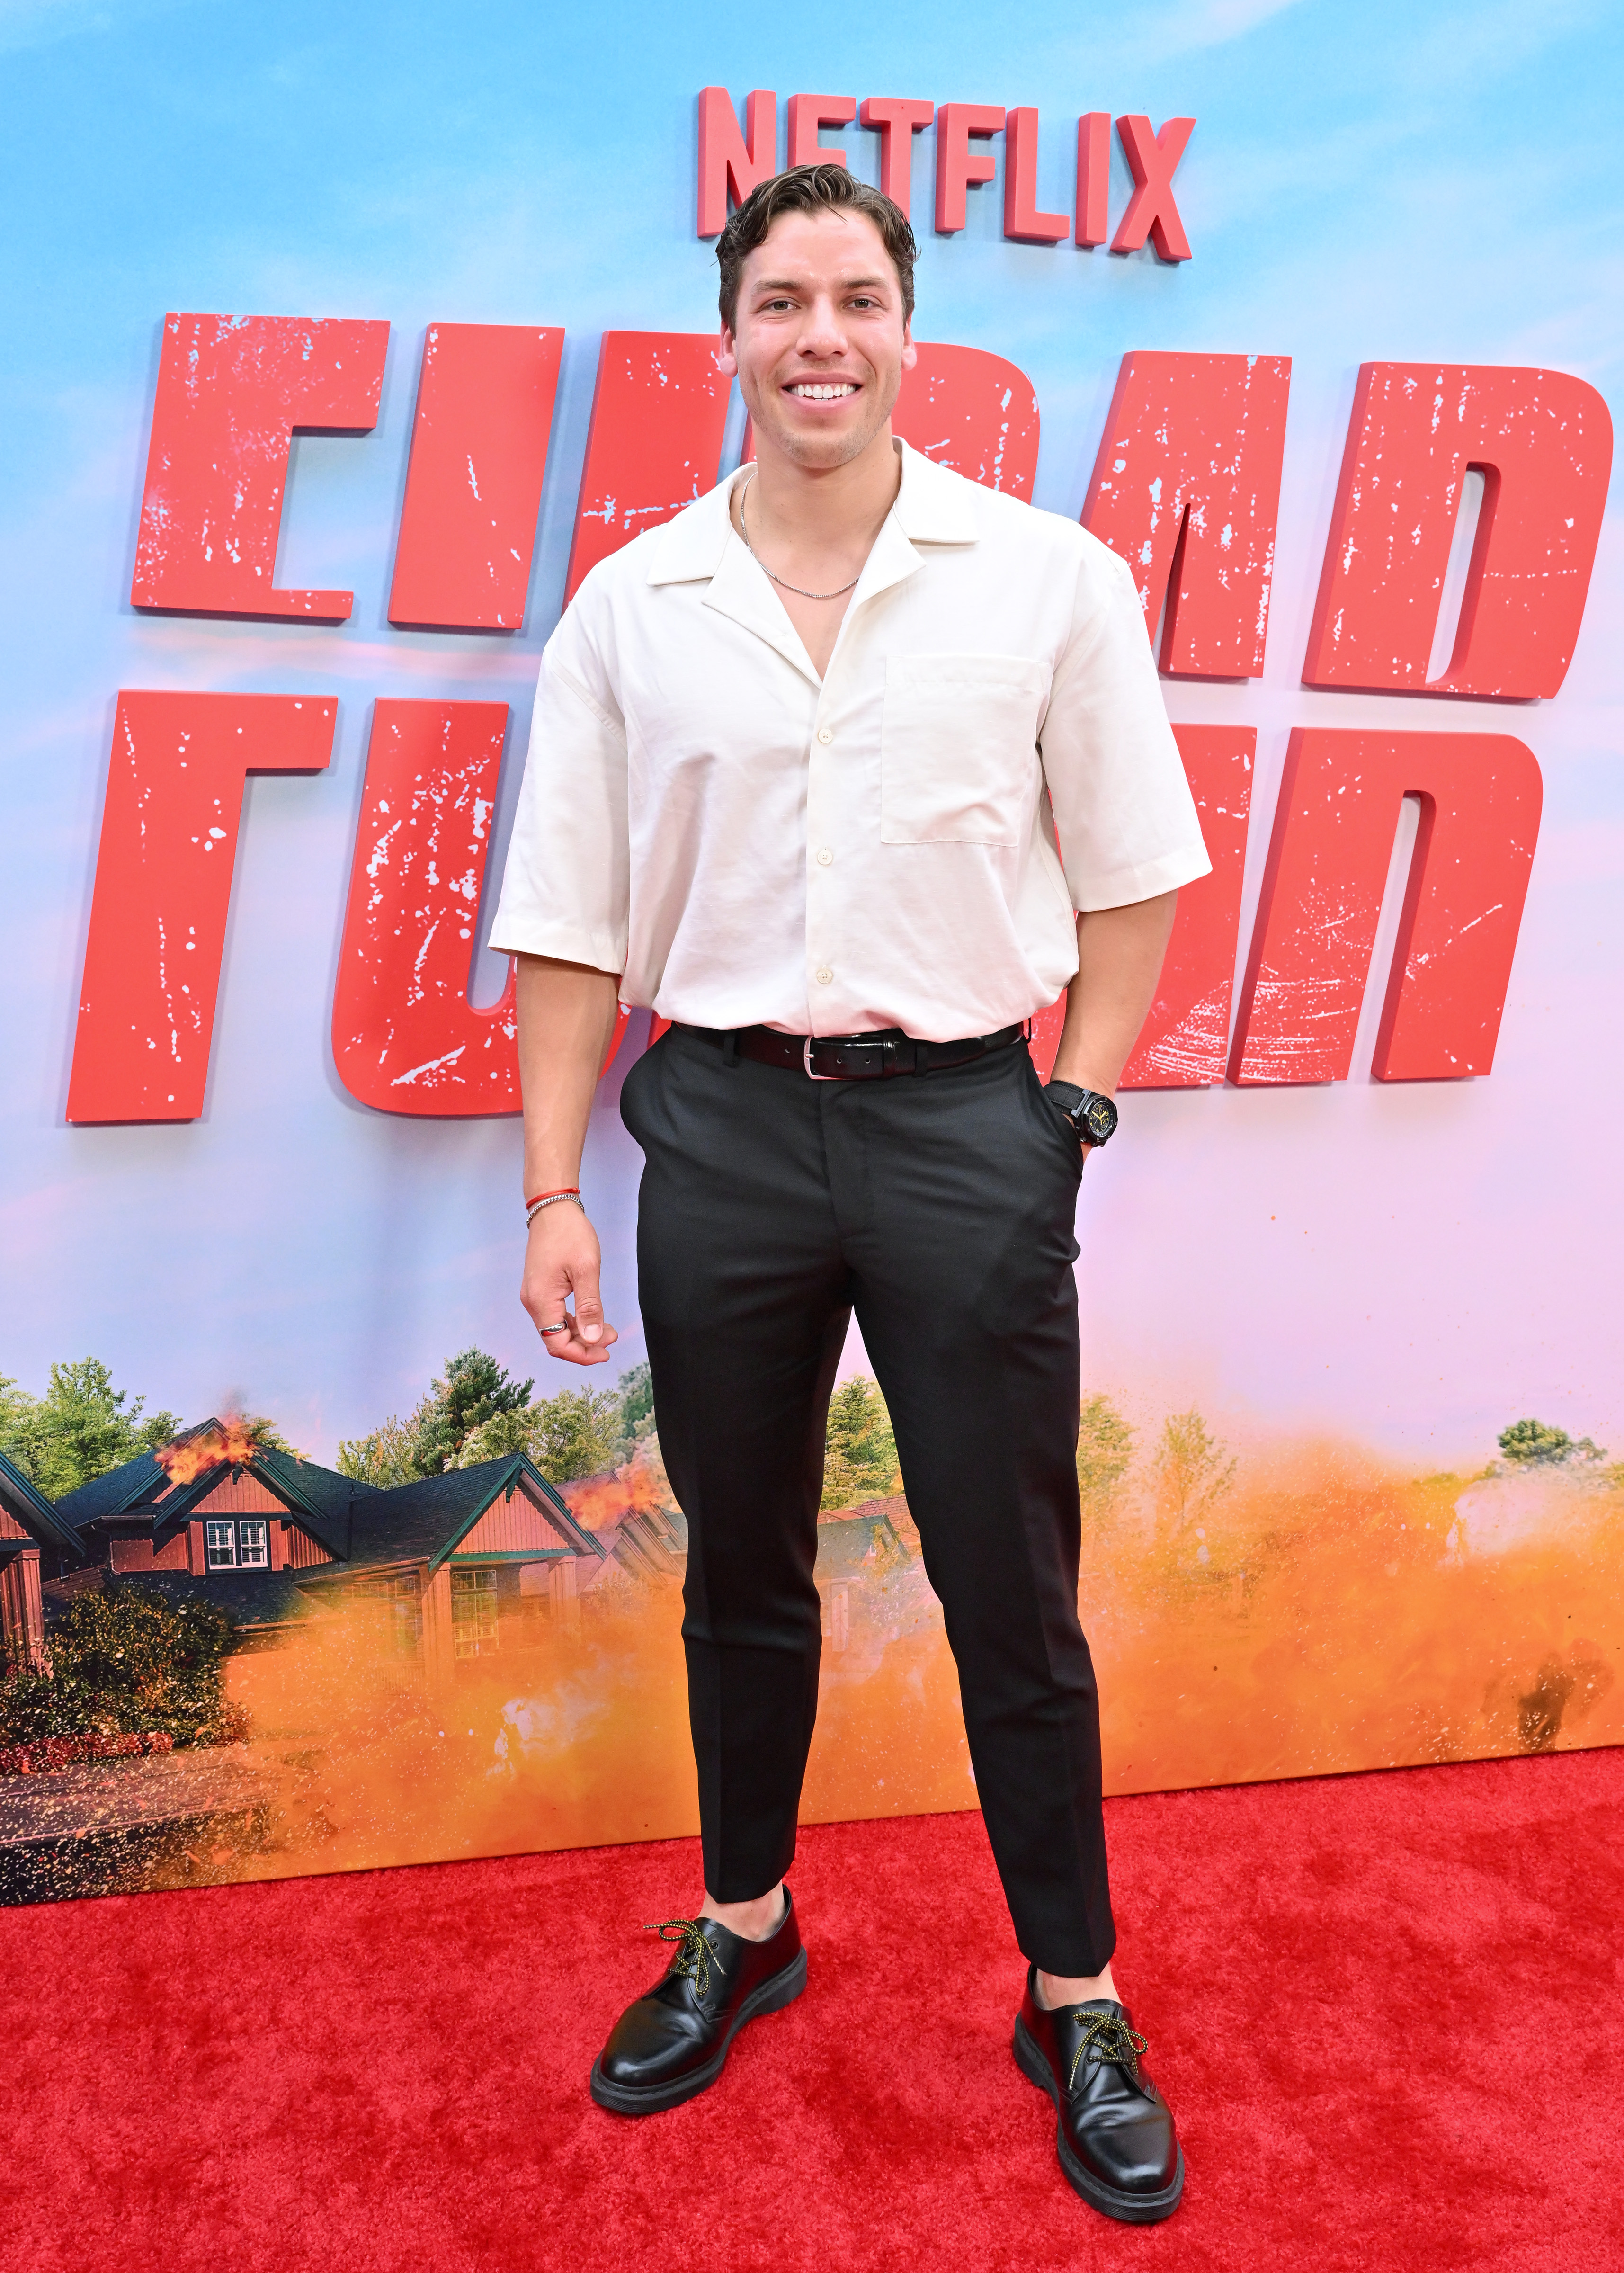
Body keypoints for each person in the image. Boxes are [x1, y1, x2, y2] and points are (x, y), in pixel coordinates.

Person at [488, 161, 1209, 2226]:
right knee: (740, 1566)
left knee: (1012, 1579)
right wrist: (555, 1185)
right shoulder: (634, 606)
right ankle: (747, 1918)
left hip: (969, 1124)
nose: (823, 334)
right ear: (728, 331)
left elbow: (1138, 878)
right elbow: (567, 930)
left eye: (860, 297)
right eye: (784, 297)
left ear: (911, 327)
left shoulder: (1046, 580)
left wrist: (1068, 1114)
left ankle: (1075, 1995)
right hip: (713, 1123)